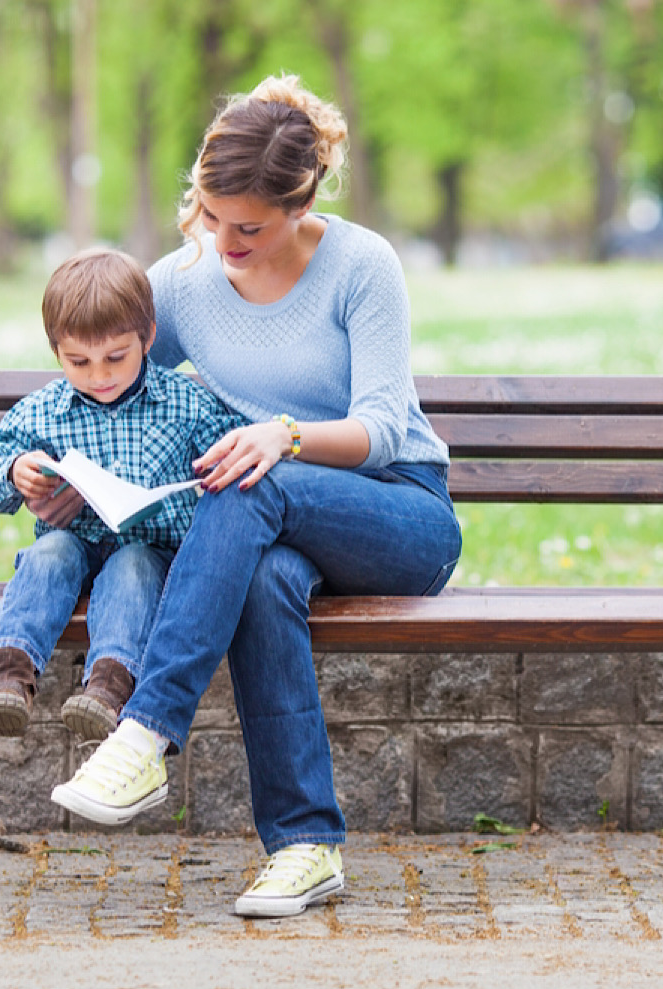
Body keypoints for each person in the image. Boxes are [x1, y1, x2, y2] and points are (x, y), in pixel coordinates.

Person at [47, 74, 462, 919]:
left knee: (250, 479)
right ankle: (306, 847)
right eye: (207, 214)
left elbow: (383, 426)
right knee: (266, 575)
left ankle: (145, 732)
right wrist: (51, 470)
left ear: (301, 202)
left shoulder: (360, 264)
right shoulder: (185, 282)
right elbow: (108, 391)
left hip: (398, 513)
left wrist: (284, 434)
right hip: (273, 522)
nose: (222, 239)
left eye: (249, 226)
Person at [0, 248, 245, 740]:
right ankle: (8, 677)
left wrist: (212, 475)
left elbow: (231, 462)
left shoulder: (187, 404)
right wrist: (16, 472)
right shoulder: (42, 412)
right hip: (74, 543)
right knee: (49, 550)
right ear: (56, 351)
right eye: (79, 361)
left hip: (151, 551)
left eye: (116, 357)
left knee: (134, 564)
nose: (100, 376)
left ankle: (108, 688)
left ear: (148, 338)